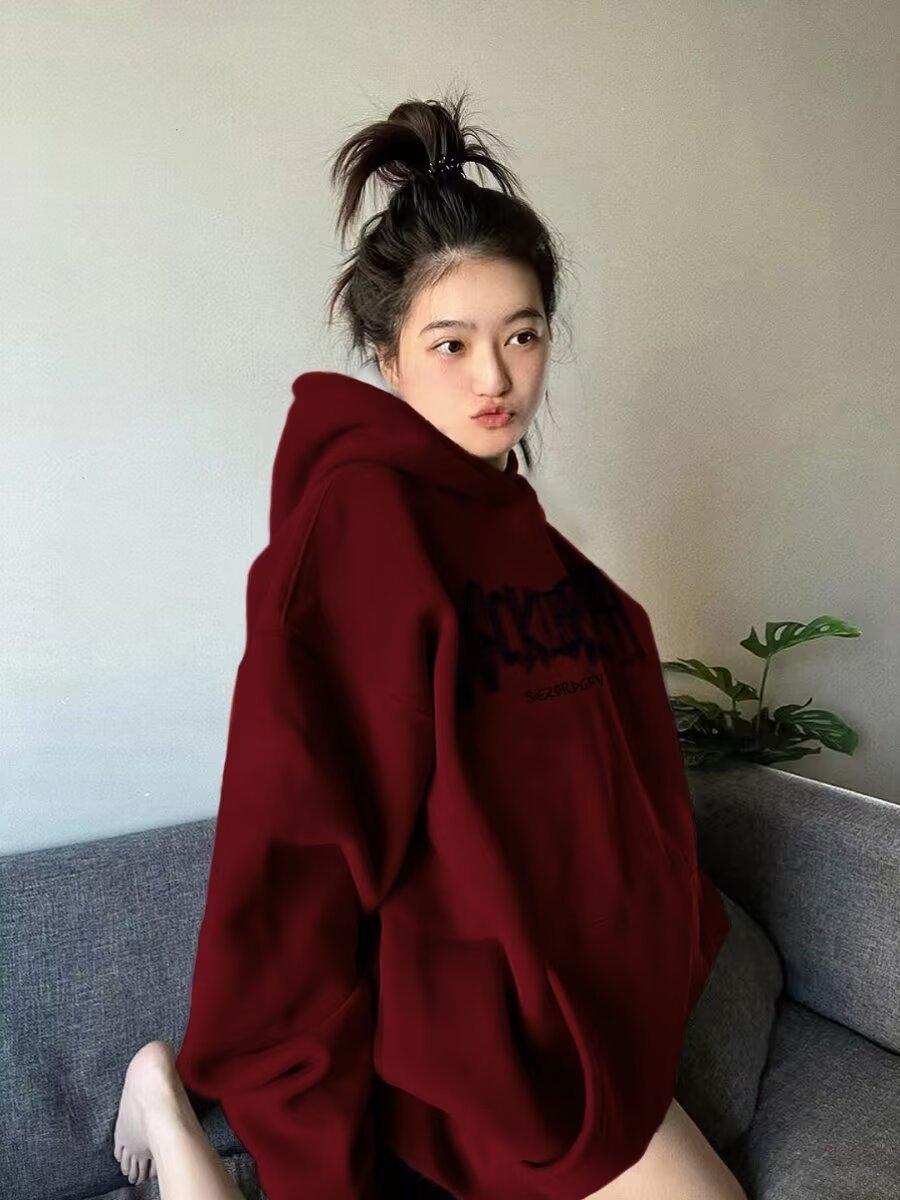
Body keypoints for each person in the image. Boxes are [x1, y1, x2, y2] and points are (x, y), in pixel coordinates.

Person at [112, 89, 747, 1200]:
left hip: (556, 1028)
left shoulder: (517, 528)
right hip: (439, 1045)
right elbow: (297, 850)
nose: (494, 378)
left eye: (522, 334)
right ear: (386, 354)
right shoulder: (363, 526)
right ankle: (165, 1104)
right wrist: (312, 1145)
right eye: (450, 343)